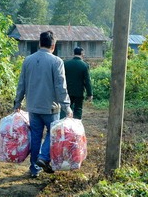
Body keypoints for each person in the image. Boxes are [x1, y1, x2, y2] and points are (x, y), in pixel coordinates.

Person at [13, 30, 73, 178]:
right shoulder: (56, 61)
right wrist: (67, 107)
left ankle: (34, 168)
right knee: (53, 135)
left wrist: (18, 102)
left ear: (39, 43)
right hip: (50, 108)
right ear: (53, 45)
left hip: (33, 107)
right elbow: (61, 87)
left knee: (35, 136)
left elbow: (22, 83)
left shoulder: (28, 60)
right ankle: (43, 157)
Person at [61, 47, 93, 120]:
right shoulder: (84, 65)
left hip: (67, 90)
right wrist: (89, 94)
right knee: (78, 109)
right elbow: (87, 81)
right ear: (82, 54)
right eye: (83, 53)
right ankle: (76, 125)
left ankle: (65, 125)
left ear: (74, 53)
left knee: (66, 108)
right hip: (79, 92)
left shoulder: (65, 63)